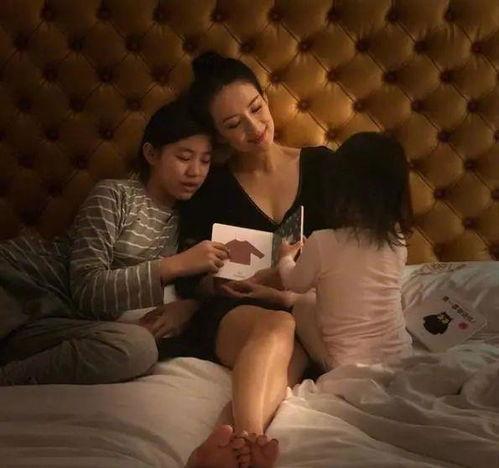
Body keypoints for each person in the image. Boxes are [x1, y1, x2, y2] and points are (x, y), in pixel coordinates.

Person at [169, 51, 334, 467]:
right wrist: (216, 282)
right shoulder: (213, 187)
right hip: (237, 312)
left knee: (289, 357)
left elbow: (357, 250)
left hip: (307, 312)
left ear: (266, 98)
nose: (254, 127)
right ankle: (249, 442)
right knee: (277, 325)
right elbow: (189, 275)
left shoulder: (323, 167)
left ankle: (221, 449)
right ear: (219, 135)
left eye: (256, 108)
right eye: (233, 124)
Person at [0, 95, 229, 386]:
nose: (195, 171)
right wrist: (174, 265)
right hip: (18, 284)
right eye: (184, 157)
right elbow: (87, 290)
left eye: (205, 161)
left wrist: (189, 308)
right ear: (152, 154)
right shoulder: (114, 196)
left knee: (138, 347)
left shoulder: (187, 222)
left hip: (51, 323)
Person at [277, 132, 414, 371]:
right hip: (401, 354)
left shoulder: (323, 242)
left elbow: (294, 283)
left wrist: (285, 258)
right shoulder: (397, 241)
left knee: (303, 304)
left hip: (345, 363)